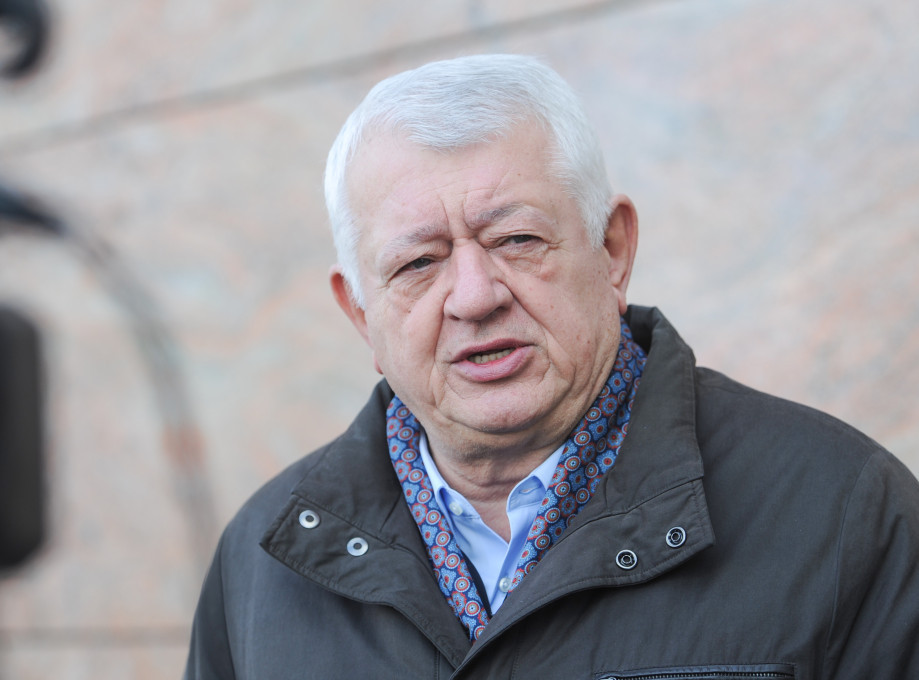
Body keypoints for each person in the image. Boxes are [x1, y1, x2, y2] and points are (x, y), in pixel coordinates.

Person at [184, 54, 919, 679]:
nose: (474, 297)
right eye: (417, 263)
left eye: (516, 240)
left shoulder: (842, 511)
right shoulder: (262, 565)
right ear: (359, 313)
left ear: (613, 251)